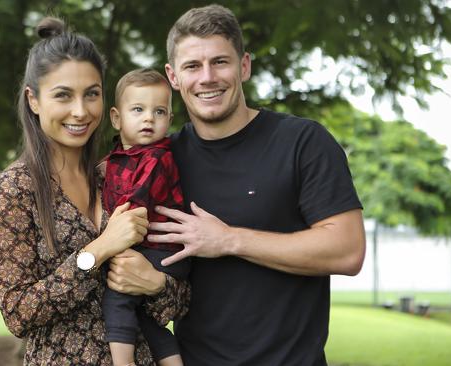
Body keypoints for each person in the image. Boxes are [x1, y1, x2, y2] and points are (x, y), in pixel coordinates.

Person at [144, 4, 366, 365]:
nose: (207, 77)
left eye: (220, 62)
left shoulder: (302, 142)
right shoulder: (161, 161)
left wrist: (228, 239)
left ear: (243, 65)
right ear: (173, 76)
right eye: (192, 66)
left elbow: (347, 250)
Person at [0, 18, 189, 366]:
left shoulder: (115, 176)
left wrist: (155, 284)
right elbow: (17, 313)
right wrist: (99, 250)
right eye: (63, 95)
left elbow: (180, 299)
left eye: (91, 94)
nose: (80, 111)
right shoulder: (14, 190)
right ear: (34, 100)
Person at [102, 68, 189, 366]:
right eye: (138, 109)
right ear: (116, 118)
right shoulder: (119, 157)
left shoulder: (157, 157)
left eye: (159, 111)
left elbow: (132, 207)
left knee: (118, 297)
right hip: (152, 249)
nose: (149, 118)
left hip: (161, 249)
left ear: (170, 120)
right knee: (148, 318)